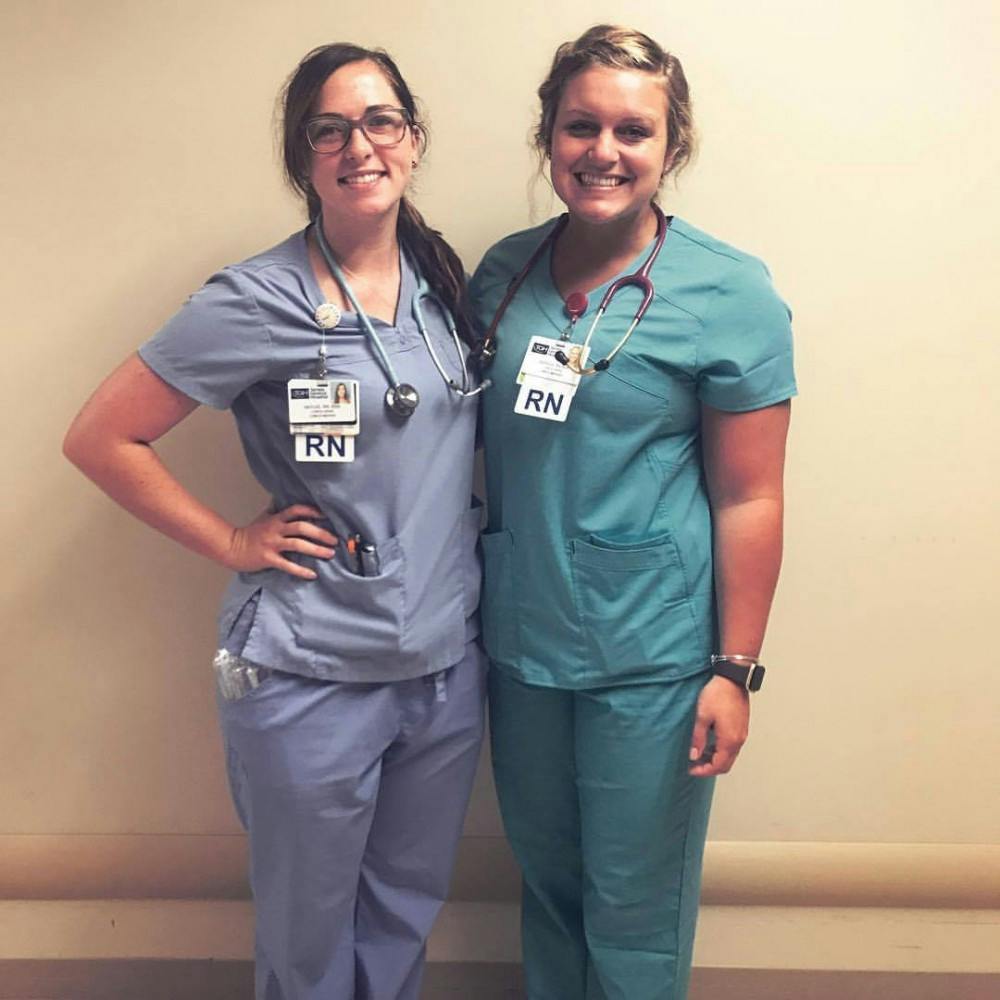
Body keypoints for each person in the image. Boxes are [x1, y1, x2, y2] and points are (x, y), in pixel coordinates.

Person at [63, 42, 486, 1000]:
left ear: (414, 139)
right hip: (310, 668)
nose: (359, 146)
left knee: (403, 914)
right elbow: (101, 438)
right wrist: (230, 541)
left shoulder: (446, 285)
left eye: (380, 121)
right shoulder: (255, 300)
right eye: (328, 130)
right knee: (309, 935)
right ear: (303, 157)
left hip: (441, 667)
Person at [469, 24, 795, 1000]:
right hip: (521, 641)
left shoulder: (727, 292)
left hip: (653, 657)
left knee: (635, 908)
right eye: (581, 126)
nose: (602, 151)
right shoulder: (503, 276)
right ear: (548, 135)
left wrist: (733, 670)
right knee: (548, 886)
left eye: (632, 130)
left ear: (671, 145)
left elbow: (750, 495)